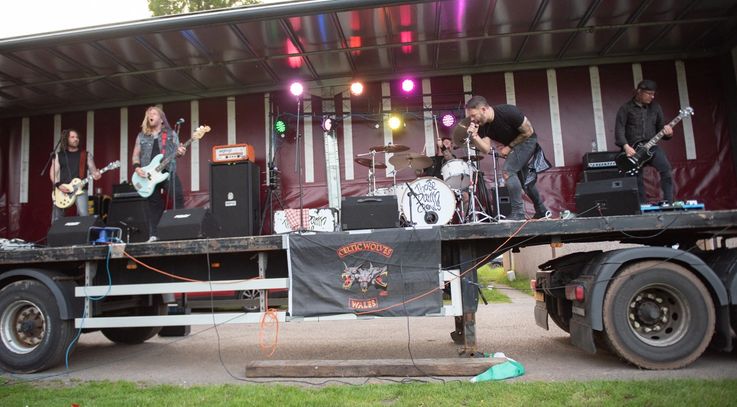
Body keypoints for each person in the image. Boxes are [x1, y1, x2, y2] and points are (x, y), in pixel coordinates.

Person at [464, 96, 549, 221]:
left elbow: (528, 132)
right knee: (525, 182)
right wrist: (475, 137)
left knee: (508, 172)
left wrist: (509, 147)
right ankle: (542, 210)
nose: (471, 119)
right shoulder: (482, 126)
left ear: (483, 109)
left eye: (473, 115)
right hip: (515, 147)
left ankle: (518, 213)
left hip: (527, 141)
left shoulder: (508, 112)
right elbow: (486, 149)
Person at [131, 106, 187, 240]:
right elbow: (135, 155)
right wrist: (137, 168)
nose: (151, 115)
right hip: (148, 175)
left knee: (177, 196)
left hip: (167, 170)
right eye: (149, 114)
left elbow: (178, 152)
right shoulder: (141, 136)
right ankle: (154, 234)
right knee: (154, 204)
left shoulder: (171, 133)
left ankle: (179, 229)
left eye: (154, 113)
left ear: (161, 119)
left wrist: (181, 152)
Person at [614, 79, 674, 204]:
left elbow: (661, 129)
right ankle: (641, 206)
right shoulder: (625, 108)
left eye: (653, 94)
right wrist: (626, 146)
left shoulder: (656, 107)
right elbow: (619, 129)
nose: (652, 97)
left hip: (651, 146)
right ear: (639, 92)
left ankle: (669, 201)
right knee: (636, 177)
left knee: (666, 170)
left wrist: (669, 133)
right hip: (632, 149)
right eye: (648, 93)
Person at [50, 129, 101, 223]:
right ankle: (57, 236)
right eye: (72, 137)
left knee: (84, 215)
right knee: (56, 218)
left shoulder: (85, 154)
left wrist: (97, 175)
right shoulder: (59, 155)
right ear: (66, 139)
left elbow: (94, 172)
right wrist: (58, 185)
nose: (76, 139)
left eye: (77, 137)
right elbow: (53, 172)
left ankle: (84, 236)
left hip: (80, 188)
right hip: (63, 189)